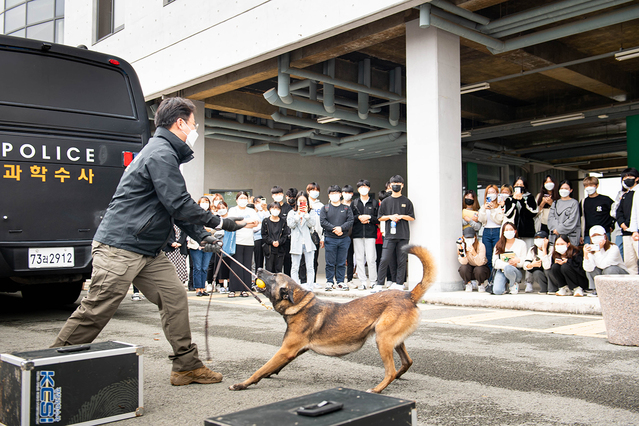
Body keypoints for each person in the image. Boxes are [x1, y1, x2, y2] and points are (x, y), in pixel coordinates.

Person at [51, 97, 245, 386]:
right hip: (121, 246)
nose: (195, 128)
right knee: (98, 307)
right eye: (193, 123)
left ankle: (186, 366)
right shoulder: (160, 153)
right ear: (179, 123)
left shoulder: (165, 153)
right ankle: (47, 366)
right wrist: (221, 223)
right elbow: (178, 203)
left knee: (175, 298)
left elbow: (172, 207)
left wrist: (202, 235)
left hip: (147, 250)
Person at [372, 175, 415, 292]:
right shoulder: (385, 202)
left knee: (401, 260)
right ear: (390, 186)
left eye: (398, 183)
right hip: (389, 235)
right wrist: (390, 217)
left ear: (402, 185)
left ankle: (400, 283)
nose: (396, 185)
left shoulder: (407, 201)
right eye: (394, 183)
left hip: (403, 235)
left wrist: (401, 216)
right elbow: (380, 218)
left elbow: (412, 217)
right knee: (384, 259)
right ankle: (379, 284)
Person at [320, 185, 354, 291]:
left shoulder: (346, 208)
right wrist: (335, 228)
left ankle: (340, 282)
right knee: (330, 262)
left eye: (336, 193)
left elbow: (350, 221)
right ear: (329, 195)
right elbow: (323, 222)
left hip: (344, 239)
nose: (334, 195)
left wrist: (341, 228)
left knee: (341, 262)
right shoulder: (325, 208)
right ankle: (329, 281)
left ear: (340, 194)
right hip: (330, 238)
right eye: (332, 193)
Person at [227, 191, 261, 297]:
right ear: (237, 200)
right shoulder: (233, 210)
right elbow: (232, 223)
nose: (243, 200)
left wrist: (241, 223)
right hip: (236, 241)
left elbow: (256, 223)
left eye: (244, 198)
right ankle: (233, 289)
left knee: (246, 265)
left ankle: (245, 289)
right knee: (235, 265)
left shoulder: (251, 210)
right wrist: (248, 222)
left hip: (249, 242)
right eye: (240, 198)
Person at [583, 225, 627, 295]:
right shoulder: (591, 249)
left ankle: (611, 290)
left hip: (618, 274)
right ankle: (597, 290)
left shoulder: (613, 248)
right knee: (590, 269)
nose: (596, 238)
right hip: (603, 273)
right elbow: (588, 268)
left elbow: (603, 265)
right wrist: (586, 255)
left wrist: (598, 251)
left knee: (609, 269)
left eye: (599, 235)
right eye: (594, 236)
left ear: (604, 236)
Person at [351, 179, 379, 290]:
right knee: (359, 258)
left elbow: (378, 219)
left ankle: (373, 281)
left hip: (370, 233)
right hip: (357, 234)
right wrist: (359, 217)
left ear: (369, 188)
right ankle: (362, 281)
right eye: (361, 187)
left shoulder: (374, 203)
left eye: (366, 186)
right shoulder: (354, 203)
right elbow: (350, 218)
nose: (363, 189)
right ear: (358, 189)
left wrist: (369, 217)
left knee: (371, 258)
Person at [288, 192, 317, 290]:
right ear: (296, 202)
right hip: (296, 242)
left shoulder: (311, 212)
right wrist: (298, 215)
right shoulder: (292, 213)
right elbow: (291, 225)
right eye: (300, 201)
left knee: (310, 266)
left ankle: (310, 287)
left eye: (304, 201)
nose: (302, 203)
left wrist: (306, 215)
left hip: (308, 242)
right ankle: (295, 287)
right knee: (295, 266)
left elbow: (312, 224)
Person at [188, 196, 215, 296]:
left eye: (207, 202)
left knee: (205, 267)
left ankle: (203, 288)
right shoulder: (194, 215)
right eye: (203, 202)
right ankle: (197, 288)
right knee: (197, 267)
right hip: (195, 245)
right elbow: (191, 230)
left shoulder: (211, 215)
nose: (205, 204)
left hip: (208, 245)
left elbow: (215, 229)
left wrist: (209, 230)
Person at [491, 222, 527, 295]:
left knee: (509, 268)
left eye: (511, 229)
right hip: (502, 270)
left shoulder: (521, 243)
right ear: (503, 232)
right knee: (497, 291)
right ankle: (505, 285)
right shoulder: (499, 244)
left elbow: (524, 260)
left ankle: (513, 284)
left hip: (515, 271)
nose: (509, 231)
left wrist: (516, 261)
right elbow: (494, 262)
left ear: (515, 231)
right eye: (506, 230)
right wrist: (507, 264)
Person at [580, 176, 614, 244]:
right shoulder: (583, 202)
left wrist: (612, 225)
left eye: (591, 185)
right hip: (588, 235)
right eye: (586, 185)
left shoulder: (606, 200)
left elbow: (615, 212)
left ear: (597, 185)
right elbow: (580, 218)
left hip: (604, 233)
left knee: (605, 252)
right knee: (589, 253)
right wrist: (581, 235)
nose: (588, 187)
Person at [478, 184, 503, 272]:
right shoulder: (483, 206)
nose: (491, 194)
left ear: (497, 193)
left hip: (497, 230)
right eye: (488, 192)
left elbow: (499, 220)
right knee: (488, 255)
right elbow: (481, 219)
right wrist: (484, 209)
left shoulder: (500, 206)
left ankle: (498, 277)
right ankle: (490, 280)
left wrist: (492, 209)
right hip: (486, 231)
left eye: (493, 192)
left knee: (497, 255)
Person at [548, 180, 580, 246]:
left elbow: (572, 220)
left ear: (571, 190)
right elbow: (551, 218)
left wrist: (559, 230)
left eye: (566, 188)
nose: (563, 190)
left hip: (570, 238)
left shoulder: (574, 203)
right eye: (562, 188)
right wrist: (555, 229)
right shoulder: (555, 203)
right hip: (555, 237)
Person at [457, 227, 490, 292]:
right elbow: (463, 263)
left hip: (481, 268)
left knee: (479, 269)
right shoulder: (461, 246)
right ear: (463, 237)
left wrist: (474, 253)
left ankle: (481, 284)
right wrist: (462, 251)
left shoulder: (480, 245)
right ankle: (468, 283)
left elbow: (480, 263)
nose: (469, 239)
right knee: (463, 268)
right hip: (469, 268)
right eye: (467, 238)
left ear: (475, 237)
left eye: (471, 238)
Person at [619, 168, 639, 274]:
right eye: (625, 177)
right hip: (627, 232)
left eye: (630, 176)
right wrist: (622, 223)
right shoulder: (625, 195)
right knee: (630, 262)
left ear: (637, 178)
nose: (627, 179)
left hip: (636, 232)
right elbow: (619, 212)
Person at [208, 202, 231, 292]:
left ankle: (229, 285)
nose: (221, 209)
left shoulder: (230, 218)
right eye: (219, 208)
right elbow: (212, 231)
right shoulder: (215, 218)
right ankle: (220, 285)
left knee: (228, 264)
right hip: (218, 244)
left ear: (227, 207)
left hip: (228, 244)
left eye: (223, 207)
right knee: (219, 264)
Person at [262, 202, 290, 274]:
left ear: (280, 210)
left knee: (278, 269)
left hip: (280, 249)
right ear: (270, 209)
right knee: (269, 269)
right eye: (273, 208)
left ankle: (278, 285)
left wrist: (279, 242)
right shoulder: (265, 221)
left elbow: (285, 235)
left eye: (277, 208)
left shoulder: (283, 222)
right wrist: (272, 242)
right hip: (269, 249)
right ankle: (269, 285)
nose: (275, 210)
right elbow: (264, 235)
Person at [342, 184, 356, 285]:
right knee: (340, 258)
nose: (347, 194)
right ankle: (339, 279)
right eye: (345, 192)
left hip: (352, 235)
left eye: (349, 193)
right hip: (339, 234)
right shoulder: (338, 204)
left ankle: (350, 279)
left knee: (350, 258)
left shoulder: (354, 204)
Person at [252, 195, 268, 272]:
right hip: (257, 238)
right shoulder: (252, 213)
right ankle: (257, 279)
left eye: (260, 202)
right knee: (258, 260)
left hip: (267, 239)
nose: (259, 204)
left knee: (268, 261)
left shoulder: (265, 212)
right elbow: (253, 228)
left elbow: (269, 222)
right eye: (257, 202)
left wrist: (265, 209)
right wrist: (261, 225)